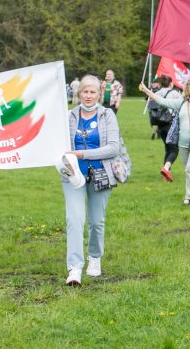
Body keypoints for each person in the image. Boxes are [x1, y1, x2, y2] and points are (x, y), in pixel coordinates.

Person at [61, 75, 120, 286]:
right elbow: (60, 144)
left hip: (101, 174)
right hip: (73, 175)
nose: (88, 96)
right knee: (74, 220)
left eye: (92, 92)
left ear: (99, 94)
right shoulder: (69, 116)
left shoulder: (108, 115)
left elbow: (113, 148)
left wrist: (82, 154)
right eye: (85, 91)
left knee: (96, 221)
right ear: (79, 93)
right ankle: (74, 268)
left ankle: (94, 257)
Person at [140, 76, 190, 205]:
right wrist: (147, 91)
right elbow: (162, 101)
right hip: (183, 142)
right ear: (187, 90)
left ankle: (188, 196)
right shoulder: (181, 102)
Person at [149, 75, 182, 181]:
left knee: (168, 148)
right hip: (170, 124)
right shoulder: (175, 93)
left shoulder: (157, 93)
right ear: (171, 83)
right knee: (174, 149)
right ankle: (166, 169)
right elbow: (182, 105)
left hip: (160, 125)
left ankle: (166, 174)